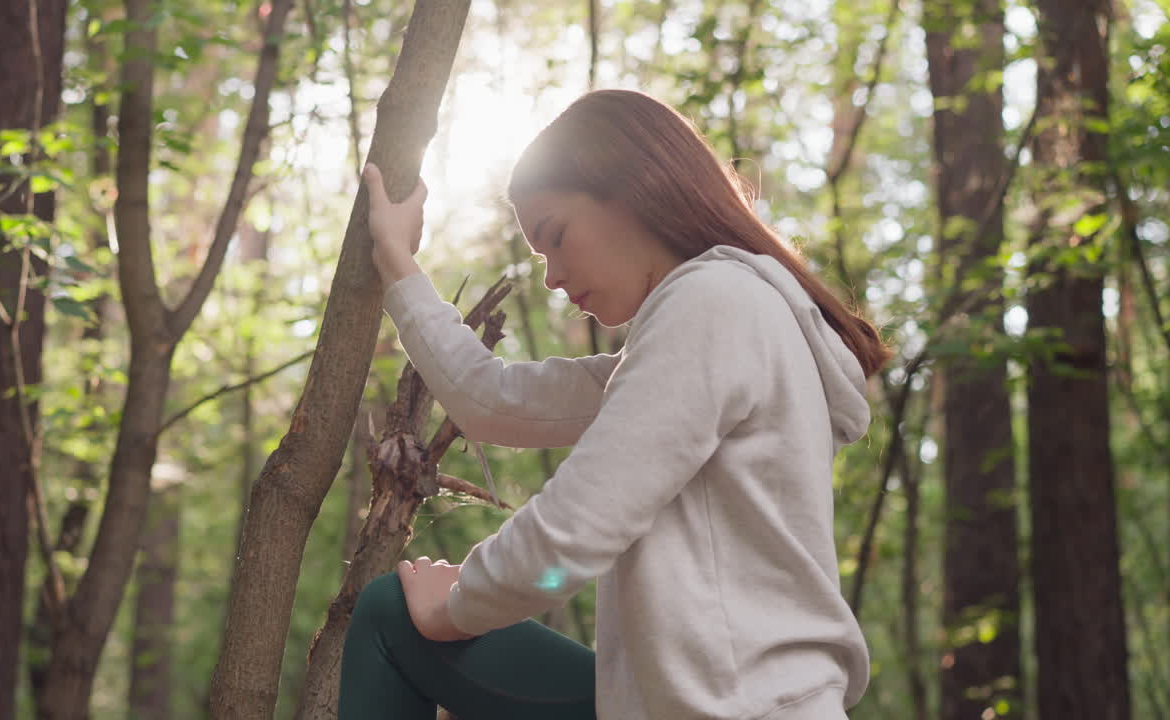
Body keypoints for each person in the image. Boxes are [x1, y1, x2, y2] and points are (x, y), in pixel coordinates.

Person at [338, 88, 890, 720]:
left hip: (740, 709)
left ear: (635, 191)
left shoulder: (715, 304)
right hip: (683, 704)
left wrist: (455, 606)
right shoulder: (703, 328)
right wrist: (397, 264)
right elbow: (494, 401)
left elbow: (576, 528)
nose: (551, 276)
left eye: (557, 236)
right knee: (393, 613)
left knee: (392, 615)